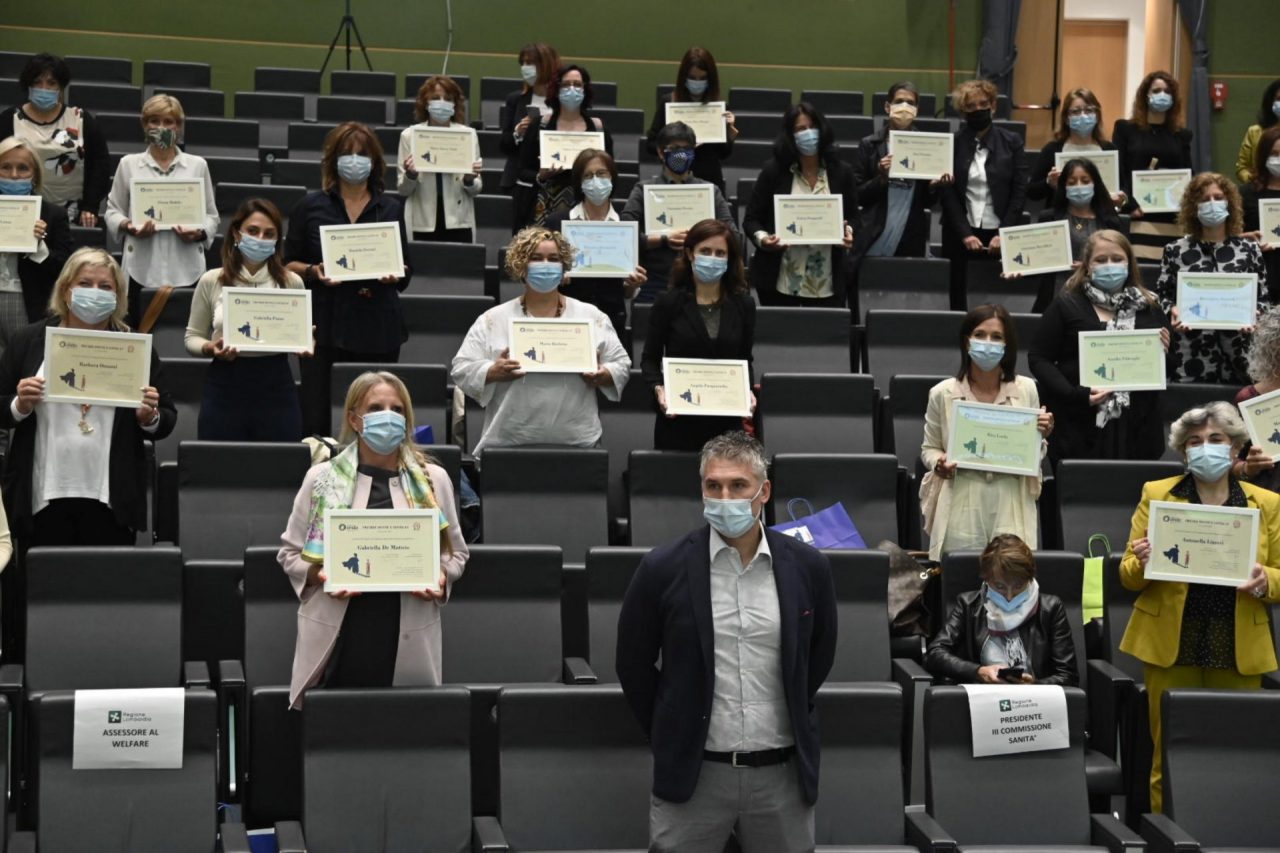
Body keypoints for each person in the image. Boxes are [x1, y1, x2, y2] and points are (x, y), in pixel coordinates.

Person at [616, 431, 836, 853]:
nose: (725, 497)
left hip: (782, 774)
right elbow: (632, 663)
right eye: (713, 486)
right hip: (695, 775)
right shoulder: (662, 567)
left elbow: (818, 654)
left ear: (764, 491)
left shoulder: (808, 566)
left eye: (739, 486)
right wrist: (671, 729)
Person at [1120, 401, 1280, 813]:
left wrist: (1266, 582)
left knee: (1236, 752)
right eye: (1194, 442)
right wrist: (1145, 558)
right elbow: (1128, 575)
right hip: (1171, 640)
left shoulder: (1266, 503)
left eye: (1215, 440)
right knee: (1167, 752)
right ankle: (1164, 834)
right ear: (1183, 452)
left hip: (1237, 640)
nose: (1204, 448)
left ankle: (1227, 832)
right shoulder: (1158, 495)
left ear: (1234, 449)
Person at [278, 370, 468, 708]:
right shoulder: (321, 478)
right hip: (340, 633)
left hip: (406, 628)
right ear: (354, 418)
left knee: (401, 736)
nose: (389, 417)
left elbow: (456, 555)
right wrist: (320, 574)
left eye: (397, 410)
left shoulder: (434, 480)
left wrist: (440, 577)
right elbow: (290, 555)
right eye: (376, 407)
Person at [449, 226, 630, 458]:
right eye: (536, 258)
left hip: (577, 441)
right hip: (509, 440)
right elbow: (461, 368)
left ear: (564, 267)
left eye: (553, 259)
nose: (545, 265)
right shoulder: (493, 319)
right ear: (521, 266)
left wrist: (603, 374)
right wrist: (492, 371)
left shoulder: (591, 316)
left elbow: (621, 365)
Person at [284, 122, 410, 436]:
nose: (354, 161)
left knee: (374, 414)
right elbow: (286, 265)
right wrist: (314, 271)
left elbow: (408, 271)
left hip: (378, 328)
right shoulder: (310, 206)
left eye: (362, 155)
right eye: (346, 154)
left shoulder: (391, 208)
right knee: (319, 414)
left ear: (375, 163)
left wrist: (395, 274)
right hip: (325, 327)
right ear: (333, 160)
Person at [919, 303, 1052, 561]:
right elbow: (929, 448)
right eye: (980, 335)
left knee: (1011, 582)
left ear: (1007, 344)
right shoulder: (942, 393)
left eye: (997, 337)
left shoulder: (1026, 389)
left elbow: (1034, 452)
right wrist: (939, 464)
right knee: (962, 584)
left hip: (1010, 498)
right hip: (961, 497)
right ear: (966, 341)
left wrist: (1042, 434)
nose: (987, 343)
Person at [1030, 230, 1170, 466]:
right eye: (1101, 260)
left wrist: (1165, 350)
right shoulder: (1066, 304)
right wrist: (1076, 395)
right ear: (1087, 266)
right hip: (1079, 421)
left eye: (1117, 259)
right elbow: (1038, 358)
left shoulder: (1150, 306)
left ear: (1129, 264)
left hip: (1137, 423)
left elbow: (1170, 365)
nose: (1110, 265)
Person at [184, 198, 306, 441]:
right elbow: (191, 337)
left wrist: (303, 340)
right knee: (219, 466)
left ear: (276, 240)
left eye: (269, 233)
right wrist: (210, 347)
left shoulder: (292, 282)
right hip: (225, 385)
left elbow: (299, 336)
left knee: (278, 468)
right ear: (237, 235)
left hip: (276, 385)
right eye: (253, 231)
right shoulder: (212, 280)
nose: (260, 238)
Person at [103, 94, 218, 328]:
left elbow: (212, 216)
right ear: (145, 125)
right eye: (154, 121)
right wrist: (129, 226)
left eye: (169, 122)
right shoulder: (129, 164)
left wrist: (199, 233)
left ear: (179, 127)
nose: (161, 127)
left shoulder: (198, 165)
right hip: (141, 267)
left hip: (187, 267)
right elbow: (112, 211)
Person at [641, 219, 755, 451]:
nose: (712, 258)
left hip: (727, 422)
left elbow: (744, 359)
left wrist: (748, 390)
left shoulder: (744, 305)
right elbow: (649, 359)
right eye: (705, 251)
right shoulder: (668, 303)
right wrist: (658, 389)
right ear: (690, 254)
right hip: (679, 422)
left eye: (720, 253)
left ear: (729, 259)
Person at [1156, 172, 1268, 385]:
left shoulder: (1249, 250)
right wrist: (1173, 310)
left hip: (1239, 351)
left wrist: (1254, 314)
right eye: (1205, 199)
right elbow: (1162, 296)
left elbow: (1261, 298)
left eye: (1218, 198)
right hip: (1191, 350)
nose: (1212, 203)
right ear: (1193, 207)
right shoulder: (1174, 250)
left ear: (1230, 204)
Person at [742, 102, 856, 307]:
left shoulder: (842, 172)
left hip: (827, 282)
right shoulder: (773, 171)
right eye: (801, 129)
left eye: (813, 127)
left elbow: (854, 217)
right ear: (790, 135)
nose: (809, 133)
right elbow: (751, 219)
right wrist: (764, 239)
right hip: (780, 279)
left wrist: (848, 231)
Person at [926, 533, 1077, 685]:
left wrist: (1034, 685)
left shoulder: (1050, 609)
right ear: (986, 579)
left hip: (1035, 702)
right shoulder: (968, 606)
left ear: (1030, 579)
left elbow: (1068, 676)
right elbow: (935, 654)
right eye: (1000, 587)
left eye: (1018, 586)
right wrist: (978, 671)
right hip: (984, 697)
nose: (1009, 597)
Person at [621, 121, 739, 302]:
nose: (681, 154)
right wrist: (662, 240)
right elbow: (624, 234)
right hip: (655, 281)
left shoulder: (709, 191)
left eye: (687, 149)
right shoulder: (644, 189)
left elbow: (734, 235)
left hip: (702, 282)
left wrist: (703, 240)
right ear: (661, 152)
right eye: (675, 148)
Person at [544, 148, 647, 343]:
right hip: (566, 321)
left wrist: (632, 285)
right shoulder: (557, 223)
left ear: (612, 178)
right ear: (579, 183)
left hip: (611, 322)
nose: (595, 181)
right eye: (588, 176)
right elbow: (540, 273)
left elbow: (625, 291)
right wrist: (554, 275)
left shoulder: (625, 228)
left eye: (601, 174)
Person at [940, 79, 1027, 308]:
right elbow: (947, 193)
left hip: (999, 230)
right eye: (970, 106)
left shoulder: (1012, 142)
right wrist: (965, 234)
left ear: (993, 106)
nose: (978, 110)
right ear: (962, 111)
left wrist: (1004, 233)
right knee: (957, 295)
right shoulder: (953, 143)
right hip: (960, 233)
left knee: (997, 295)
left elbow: (1019, 191)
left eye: (983, 104)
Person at [1, 52, 110, 226]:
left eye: (51, 83)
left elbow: (101, 165)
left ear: (61, 87)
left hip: (74, 215)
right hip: (18, 214)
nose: (44, 88)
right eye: (37, 82)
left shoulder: (80, 119)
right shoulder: (9, 120)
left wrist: (91, 206)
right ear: (28, 85)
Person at [514, 64, 613, 229]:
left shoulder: (597, 128)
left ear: (585, 89)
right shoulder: (541, 125)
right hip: (544, 208)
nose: (572, 89)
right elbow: (522, 170)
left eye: (578, 85)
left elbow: (610, 170)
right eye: (566, 84)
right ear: (556, 89)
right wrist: (541, 176)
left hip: (586, 206)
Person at [851, 81, 938, 260]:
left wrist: (933, 186)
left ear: (916, 110)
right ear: (887, 106)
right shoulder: (869, 145)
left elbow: (930, 203)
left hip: (910, 235)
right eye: (899, 101)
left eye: (910, 103)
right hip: (874, 232)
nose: (904, 107)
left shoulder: (926, 147)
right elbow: (858, 194)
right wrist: (881, 177)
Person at [0, 137, 71, 353]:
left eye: (22, 168)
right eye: (5, 167)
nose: (14, 175)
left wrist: (38, 247)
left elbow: (64, 269)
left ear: (34, 175)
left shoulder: (53, 214)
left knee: (19, 361)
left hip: (24, 298)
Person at [1111, 71, 1192, 255]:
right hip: (1136, 214)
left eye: (1167, 91)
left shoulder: (1181, 135)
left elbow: (1188, 173)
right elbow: (1118, 170)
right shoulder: (1126, 129)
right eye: (1156, 90)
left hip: (1170, 217)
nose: (1162, 95)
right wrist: (1128, 204)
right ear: (1145, 95)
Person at [397, 75, 482, 243]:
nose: (441, 102)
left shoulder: (467, 135)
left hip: (458, 222)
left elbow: (476, 189)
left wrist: (469, 180)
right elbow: (403, 190)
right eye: (435, 98)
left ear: (455, 104)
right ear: (425, 102)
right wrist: (411, 175)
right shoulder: (409, 136)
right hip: (421, 222)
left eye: (448, 98)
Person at [644, 46, 738, 194]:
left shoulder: (718, 107)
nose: (697, 82)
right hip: (674, 177)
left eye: (702, 78)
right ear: (684, 77)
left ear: (710, 79)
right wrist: (672, 144)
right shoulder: (669, 103)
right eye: (692, 78)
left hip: (709, 178)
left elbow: (723, 153)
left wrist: (729, 130)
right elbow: (650, 144)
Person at [1027, 87, 1123, 206]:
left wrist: (1122, 200)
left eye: (1088, 111)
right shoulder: (1052, 149)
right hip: (1062, 218)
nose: (1083, 116)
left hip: (1100, 219)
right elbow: (1032, 192)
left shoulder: (1109, 149)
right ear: (1066, 118)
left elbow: (1123, 190)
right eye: (1076, 112)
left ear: (1097, 116)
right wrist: (1049, 183)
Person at [498, 42, 559, 196]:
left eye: (530, 63)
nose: (525, 68)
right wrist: (517, 134)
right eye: (523, 63)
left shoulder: (562, 102)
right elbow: (504, 144)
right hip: (519, 181)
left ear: (546, 65)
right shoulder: (515, 99)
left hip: (555, 180)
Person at [1240, 124, 1280, 303]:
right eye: (1274, 154)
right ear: (1263, 156)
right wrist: (1245, 238)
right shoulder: (1246, 193)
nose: (1278, 160)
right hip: (1259, 279)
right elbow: (1226, 237)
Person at [1234, 78, 1280, 185]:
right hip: (1261, 190)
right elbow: (1242, 168)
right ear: (1271, 102)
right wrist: (1254, 180)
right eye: (1279, 99)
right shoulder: (1255, 132)